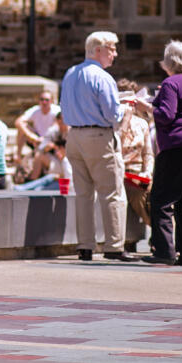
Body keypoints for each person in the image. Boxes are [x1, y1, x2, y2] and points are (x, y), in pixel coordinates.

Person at [60, 31, 134, 262]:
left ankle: (85, 246)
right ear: (98, 50)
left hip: (74, 137)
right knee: (112, 192)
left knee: (83, 194)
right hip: (98, 136)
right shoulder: (102, 77)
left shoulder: (70, 73)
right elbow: (113, 114)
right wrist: (127, 109)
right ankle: (113, 246)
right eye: (111, 48)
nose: (115, 53)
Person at [134, 40, 182, 266]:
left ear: (169, 62)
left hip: (177, 145)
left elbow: (166, 115)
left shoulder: (170, 83)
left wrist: (146, 106)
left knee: (161, 199)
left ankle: (164, 251)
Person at [117, 79, 154, 229]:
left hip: (139, 174)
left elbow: (148, 154)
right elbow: (115, 147)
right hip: (122, 173)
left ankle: (162, 234)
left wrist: (148, 172)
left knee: (158, 194)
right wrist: (124, 122)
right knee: (137, 195)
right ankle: (156, 229)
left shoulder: (142, 124)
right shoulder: (112, 124)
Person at [14, 90, 61, 173]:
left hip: (51, 141)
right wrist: (33, 137)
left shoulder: (56, 111)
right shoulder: (35, 110)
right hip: (37, 139)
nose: (44, 102)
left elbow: (57, 127)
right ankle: (18, 155)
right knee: (22, 129)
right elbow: (18, 122)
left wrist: (45, 140)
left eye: (47, 100)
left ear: (52, 101)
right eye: (42, 99)